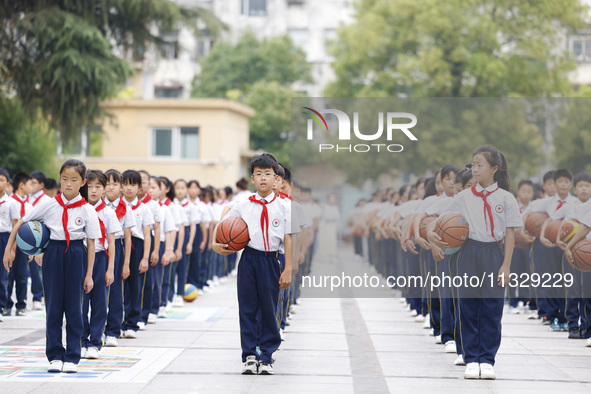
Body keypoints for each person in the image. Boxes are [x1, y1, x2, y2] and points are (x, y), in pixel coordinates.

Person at [429, 145, 522, 380]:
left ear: (494, 168)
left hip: (495, 253)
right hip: (468, 252)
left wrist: (506, 265)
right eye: (473, 164)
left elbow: (510, 234)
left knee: (492, 308)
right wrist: (431, 238)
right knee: (468, 306)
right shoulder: (463, 197)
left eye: (480, 165)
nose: (475, 169)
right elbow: (439, 222)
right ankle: (471, 358)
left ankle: (487, 359)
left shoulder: (506, 198)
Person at [4, 159, 101, 373]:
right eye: (64, 179)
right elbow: (21, 223)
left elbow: (92, 243)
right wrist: (9, 249)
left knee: (75, 309)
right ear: (59, 179)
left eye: (74, 180)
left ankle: (73, 357)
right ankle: (55, 355)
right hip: (53, 254)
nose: (68, 184)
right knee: (54, 307)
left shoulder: (87, 210)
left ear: (83, 182)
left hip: (76, 253)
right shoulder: (49, 203)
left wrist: (89, 275)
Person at [212, 153, 294, 375]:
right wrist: (214, 241)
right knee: (247, 307)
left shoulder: (284, 207)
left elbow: (288, 238)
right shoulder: (244, 203)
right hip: (249, 258)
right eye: (259, 174)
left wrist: (287, 269)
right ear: (252, 179)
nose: (263, 178)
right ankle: (249, 355)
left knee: (269, 308)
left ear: (276, 178)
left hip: (271, 260)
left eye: (268, 174)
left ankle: (266, 355)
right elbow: (225, 213)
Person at [81, 170, 120, 359]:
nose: (93, 191)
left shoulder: (108, 213)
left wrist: (110, 269)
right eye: (89, 186)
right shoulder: (78, 209)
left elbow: (111, 242)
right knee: (80, 304)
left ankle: (95, 342)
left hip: (100, 259)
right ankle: (81, 340)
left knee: (99, 304)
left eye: (98, 186)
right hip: (80, 259)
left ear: (104, 190)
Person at [103, 169, 135, 347]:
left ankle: (113, 331)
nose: (110, 187)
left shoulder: (125, 208)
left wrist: (126, 263)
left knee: (115, 291)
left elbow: (128, 237)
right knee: (97, 292)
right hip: (99, 248)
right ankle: (96, 329)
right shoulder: (96, 205)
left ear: (120, 187)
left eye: (114, 184)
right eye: (107, 184)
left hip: (117, 249)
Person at [121, 170, 153, 338]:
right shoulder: (116, 207)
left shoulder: (144, 208)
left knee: (135, 286)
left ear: (139, 187)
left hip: (137, 247)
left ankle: (132, 324)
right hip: (119, 245)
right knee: (118, 287)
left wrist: (145, 257)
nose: (128, 188)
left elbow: (147, 234)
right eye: (125, 184)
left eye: (132, 184)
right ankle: (117, 322)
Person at [6, 172, 33, 316]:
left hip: (23, 246)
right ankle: (6, 304)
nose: (31, 187)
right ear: (21, 185)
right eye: (30, 184)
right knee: (8, 275)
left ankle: (21, 304)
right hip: (9, 244)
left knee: (22, 276)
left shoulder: (29, 206)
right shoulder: (10, 202)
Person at [0, 169, 16, 323]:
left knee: (2, 275)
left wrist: (12, 249)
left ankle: (1, 306)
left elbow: (15, 227)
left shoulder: (11, 203)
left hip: (5, 238)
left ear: (7, 183)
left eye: (1, 179)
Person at [316, 194, 340, 262]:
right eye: (331, 199)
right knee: (325, 241)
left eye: (333, 199)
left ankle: (332, 256)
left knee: (332, 241)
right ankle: (323, 256)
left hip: (333, 226)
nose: (332, 200)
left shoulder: (336, 208)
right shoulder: (325, 207)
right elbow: (323, 216)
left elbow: (338, 217)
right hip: (326, 226)